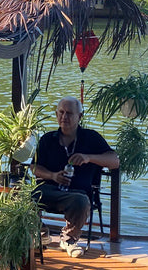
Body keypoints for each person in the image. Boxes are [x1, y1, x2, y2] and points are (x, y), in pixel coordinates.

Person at [33, 96, 119, 256]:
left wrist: (89, 157)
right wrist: (52, 175)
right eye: (61, 112)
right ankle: (41, 233)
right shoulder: (47, 139)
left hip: (77, 194)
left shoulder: (91, 138)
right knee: (24, 195)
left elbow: (115, 161)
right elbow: (34, 167)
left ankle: (69, 239)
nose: (64, 117)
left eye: (69, 113)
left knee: (80, 201)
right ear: (56, 114)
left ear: (80, 116)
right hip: (50, 189)